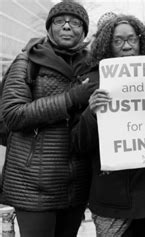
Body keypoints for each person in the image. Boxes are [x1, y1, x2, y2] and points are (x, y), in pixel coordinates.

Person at [0, 1, 94, 236]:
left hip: (76, 185)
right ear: (49, 28)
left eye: (74, 22)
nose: (66, 27)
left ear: (83, 31)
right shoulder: (27, 62)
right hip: (33, 186)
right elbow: (13, 114)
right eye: (59, 21)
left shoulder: (92, 67)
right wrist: (71, 98)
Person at [70, 14, 145, 236]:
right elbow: (77, 143)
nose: (126, 46)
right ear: (107, 45)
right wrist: (91, 112)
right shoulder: (91, 81)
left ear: (141, 41)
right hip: (109, 195)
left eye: (132, 39)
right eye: (118, 41)